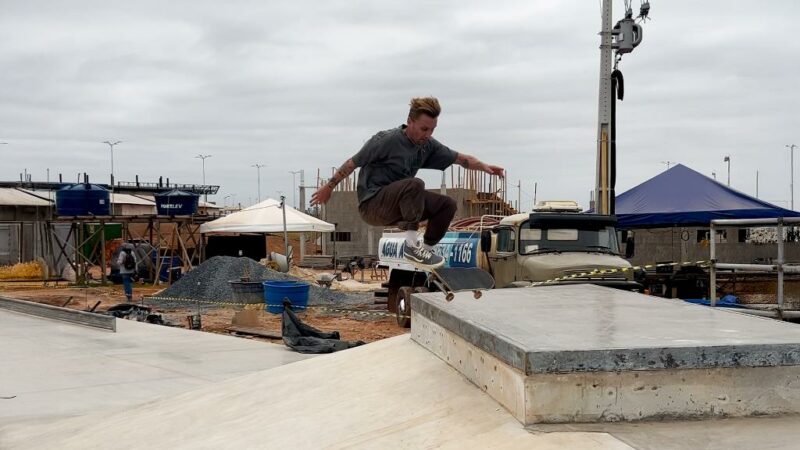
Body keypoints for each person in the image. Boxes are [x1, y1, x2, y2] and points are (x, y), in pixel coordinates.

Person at [311, 97, 504, 269]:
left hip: (398, 207)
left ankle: (424, 252)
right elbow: (352, 162)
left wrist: (485, 166)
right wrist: (329, 187)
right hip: (372, 205)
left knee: (447, 205)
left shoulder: (427, 146)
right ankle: (411, 246)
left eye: (432, 129)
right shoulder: (385, 140)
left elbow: (461, 159)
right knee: (415, 184)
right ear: (410, 121)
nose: (427, 134)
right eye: (424, 129)